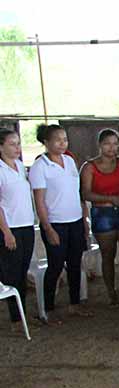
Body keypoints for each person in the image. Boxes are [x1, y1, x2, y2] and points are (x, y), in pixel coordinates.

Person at [30, 124, 90, 323]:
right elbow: (39, 200)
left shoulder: (70, 161)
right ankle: (48, 308)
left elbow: (77, 193)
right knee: (55, 266)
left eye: (64, 139)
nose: (62, 143)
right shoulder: (40, 166)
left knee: (75, 264)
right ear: (46, 143)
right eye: (57, 140)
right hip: (55, 223)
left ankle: (75, 304)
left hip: (74, 220)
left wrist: (83, 219)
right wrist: (47, 228)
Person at [80, 129, 119, 306]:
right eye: (107, 143)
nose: (112, 148)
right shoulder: (89, 167)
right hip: (103, 213)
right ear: (99, 145)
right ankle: (111, 293)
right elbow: (86, 193)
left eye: (115, 143)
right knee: (108, 255)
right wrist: (111, 198)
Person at [0, 129, 37, 329]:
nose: (17, 148)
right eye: (12, 144)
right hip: (10, 227)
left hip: (26, 224)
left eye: (18, 144)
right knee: (12, 273)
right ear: (1, 146)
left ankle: (23, 313)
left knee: (22, 271)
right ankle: (16, 318)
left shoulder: (20, 166)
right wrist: (6, 231)